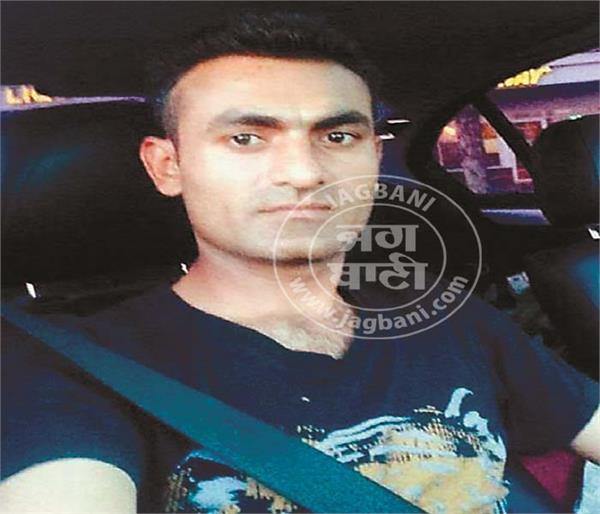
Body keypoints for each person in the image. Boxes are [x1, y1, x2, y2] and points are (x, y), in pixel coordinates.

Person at [1, 11, 598, 514]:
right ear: (168, 166)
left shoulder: (443, 317)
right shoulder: (72, 370)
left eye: (337, 137)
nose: (305, 172)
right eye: (246, 138)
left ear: (373, 156)